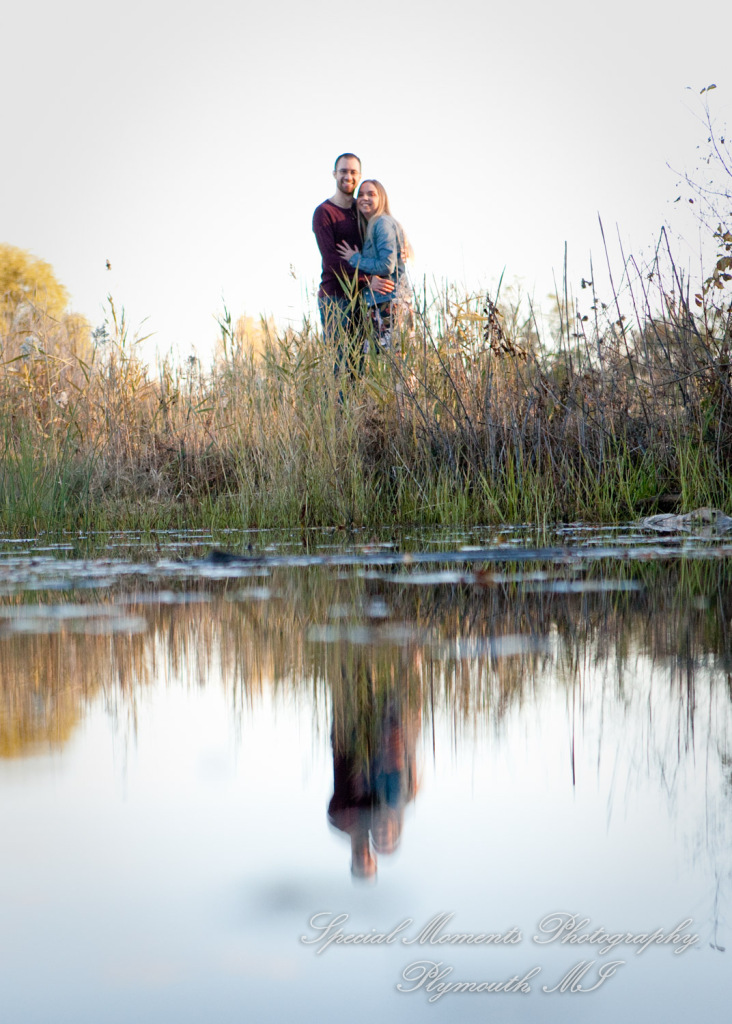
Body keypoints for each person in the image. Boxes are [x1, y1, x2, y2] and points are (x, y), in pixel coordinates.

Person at [312, 154, 393, 375]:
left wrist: (401, 247)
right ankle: (337, 410)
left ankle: (358, 410)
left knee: (360, 368)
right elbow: (331, 261)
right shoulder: (324, 213)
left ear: (359, 176)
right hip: (335, 300)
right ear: (334, 174)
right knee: (340, 366)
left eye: (353, 172)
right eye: (343, 171)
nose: (348, 176)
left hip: (364, 300)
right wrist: (368, 279)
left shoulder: (363, 210)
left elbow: (386, 229)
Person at [336, 179, 413, 352]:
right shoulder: (374, 225)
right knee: (390, 364)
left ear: (382, 199)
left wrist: (355, 259)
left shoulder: (382, 223)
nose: (365, 198)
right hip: (384, 303)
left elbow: (387, 265)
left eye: (371, 194)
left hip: (388, 304)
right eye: (361, 194)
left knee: (396, 362)